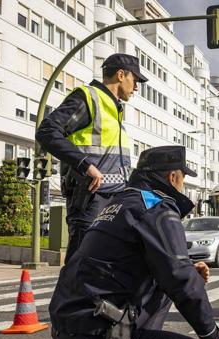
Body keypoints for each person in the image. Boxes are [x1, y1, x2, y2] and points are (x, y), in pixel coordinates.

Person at [50, 146, 219, 339]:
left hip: (72, 334)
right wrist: (213, 338)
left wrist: (184, 271)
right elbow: (178, 279)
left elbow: (150, 270)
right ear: (173, 176)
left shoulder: (119, 203)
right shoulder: (158, 209)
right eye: (184, 177)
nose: (183, 183)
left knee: (169, 293)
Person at [36, 53, 148, 263]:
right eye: (135, 80)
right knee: (80, 267)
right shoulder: (88, 97)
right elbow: (47, 131)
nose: (136, 87)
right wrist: (85, 164)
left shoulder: (113, 109)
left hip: (112, 199)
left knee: (102, 266)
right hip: (90, 199)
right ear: (121, 75)